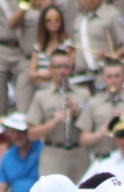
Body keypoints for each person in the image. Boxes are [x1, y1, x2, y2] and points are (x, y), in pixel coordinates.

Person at [27, 48, 91, 181]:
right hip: (53, 154)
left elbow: (92, 127)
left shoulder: (83, 94)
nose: (62, 71)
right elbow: (31, 134)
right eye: (58, 67)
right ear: (50, 69)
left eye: (66, 67)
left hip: (79, 154)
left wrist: (78, 113)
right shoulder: (41, 96)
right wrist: (53, 122)